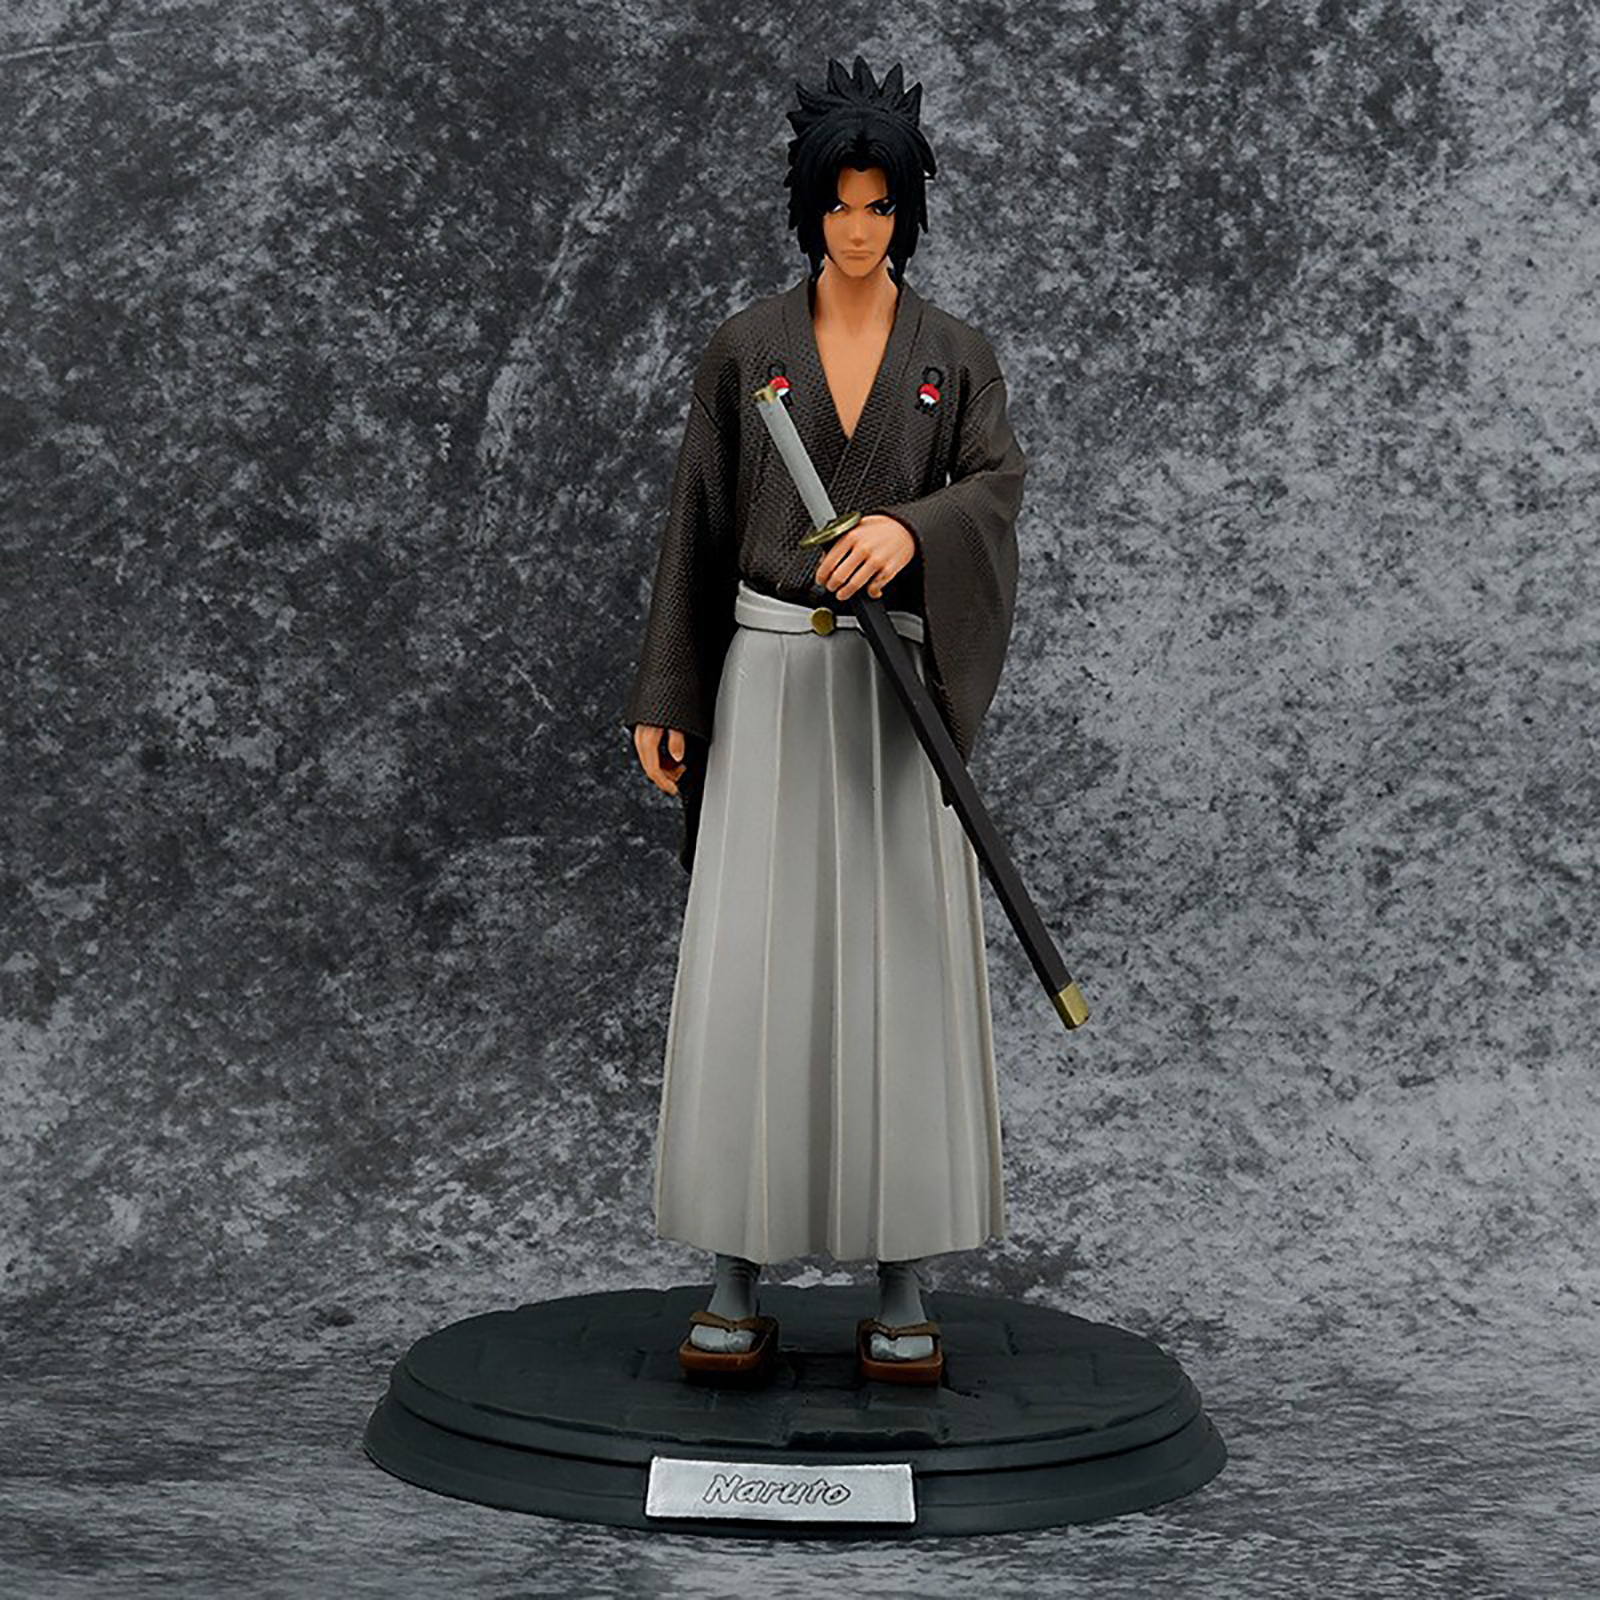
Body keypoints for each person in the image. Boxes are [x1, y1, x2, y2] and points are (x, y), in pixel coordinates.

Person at [622, 55, 1026, 1384]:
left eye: (880, 205)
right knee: (754, 962)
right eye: (840, 205)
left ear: (909, 210)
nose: (860, 228)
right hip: (773, 680)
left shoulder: (954, 357)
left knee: (901, 968)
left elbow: (995, 491)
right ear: (809, 210)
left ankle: (902, 1277)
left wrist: (910, 532)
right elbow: (696, 522)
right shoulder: (747, 349)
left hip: (894, 692)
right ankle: (733, 1271)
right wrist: (669, 691)